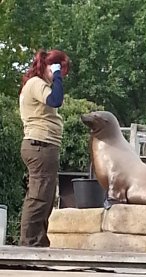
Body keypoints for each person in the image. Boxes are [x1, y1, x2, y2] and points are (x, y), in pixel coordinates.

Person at [18, 49, 70, 247]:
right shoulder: (36, 84)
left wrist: (55, 76)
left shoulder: (38, 84)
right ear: (50, 66)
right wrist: (56, 75)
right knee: (39, 197)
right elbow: (56, 99)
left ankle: (38, 242)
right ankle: (29, 244)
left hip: (43, 146)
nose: (62, 75)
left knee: (45, 197)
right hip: (40, 145)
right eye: (60, 69)